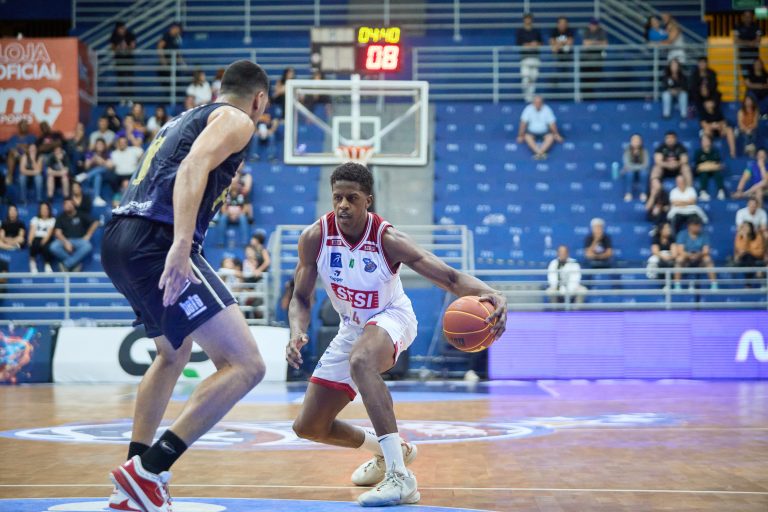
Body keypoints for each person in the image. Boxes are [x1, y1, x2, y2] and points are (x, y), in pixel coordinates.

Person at [101, 60, 270, 512]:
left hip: (119, 239)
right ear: (259, 99)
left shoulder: (183, 118)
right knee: (246, 365)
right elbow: (193, 165)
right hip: (158, 241)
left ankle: (131, 482)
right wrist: (180, 244)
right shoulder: (237, 119)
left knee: (172, 355)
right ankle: (151, 470)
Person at [287, 162, 507, 507]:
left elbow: (449, 278)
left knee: (361, 361)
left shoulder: (387, 239)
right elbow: (300, 297)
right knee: (309, 426)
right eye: (337, 197)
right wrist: (297, 330)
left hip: (393, 317)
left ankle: (400, 478)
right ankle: (389, 451)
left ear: (368, 200)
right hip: (352, 327)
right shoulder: (315, 238)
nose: (343, 205)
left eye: (351, 198)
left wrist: (489, 293)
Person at [49, 197, 99, 272]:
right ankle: (75, 264)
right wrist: (65, 242)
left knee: (87, 246)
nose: (67, 206)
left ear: (73, 205)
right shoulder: (60, 217)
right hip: (65, 240)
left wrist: (88, 235)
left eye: (69, 204)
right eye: (65, 204)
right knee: (53, 246)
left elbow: (96, 222)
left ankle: (67, 264)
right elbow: (57, 232)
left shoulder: (81, 214)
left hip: (79, 240)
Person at [647, 131, 693, 210]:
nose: (670, 140)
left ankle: (689, 191)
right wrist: (668, 165)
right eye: (668, 138)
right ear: (665, 139)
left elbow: (685, 160)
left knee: (686, 167)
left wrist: (677, 164)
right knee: (656, 167)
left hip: (677, 168)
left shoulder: (680, 147)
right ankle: (655, 185)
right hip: (664, 169)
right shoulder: (661, 147)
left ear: (675, 139)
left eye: (672, 138)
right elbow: (658, 161)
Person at [673, 217, 717, 290]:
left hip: (700, 258)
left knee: (708, 259)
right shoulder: (682, 234)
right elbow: (680, 250)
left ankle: (714, 284)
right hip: (686, 259)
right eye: (696, 225)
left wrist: (698, 255)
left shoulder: (704, 235)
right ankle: (677, 284)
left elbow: (706, 250)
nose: (698, 227)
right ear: (689, 226)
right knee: (679, 259)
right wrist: (689, 255)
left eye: (699, 225)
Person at [516, 95, 563, 160]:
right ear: (533, 103)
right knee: (527, 137)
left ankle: (539, 153)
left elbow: (552, 124)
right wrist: (520, 135)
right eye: (536, 102)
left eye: (539, 102)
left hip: (545, 131)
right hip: (531, 132)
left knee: (551, 137)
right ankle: (540, 153)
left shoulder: (547, 109)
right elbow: (523, 123)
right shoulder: (528, 109)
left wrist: (556, 134)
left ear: (542, 103)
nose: (537, 104)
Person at [76, 138, 114, 207]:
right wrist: (93, 160)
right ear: (95, 145)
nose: (100, 146)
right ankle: (96, 197)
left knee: (103, 169)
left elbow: (110, 166)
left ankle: (86, 175)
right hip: (92, 178)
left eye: (101, 144)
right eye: (98, 144)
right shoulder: (90, 153)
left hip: (105, 176)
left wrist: (101, 161)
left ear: (104, 145)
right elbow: (86, 166)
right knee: (98, 176)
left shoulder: (107, 153)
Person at [517, 13, 542, 103]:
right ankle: (526, 98)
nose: (528, 20)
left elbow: (540, 43)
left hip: (535, 58)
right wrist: (530, 45)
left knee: (533, 79)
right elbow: (520, 44)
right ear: (524, 20)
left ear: (532, 20)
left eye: (529, 18)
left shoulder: (536, 31)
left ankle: (530, 99)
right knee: (525, 78)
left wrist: (535, 44)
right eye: (526, 18)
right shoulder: (520, 32)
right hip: (525, 59)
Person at [693, 134, 726, 201]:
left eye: (706, 140)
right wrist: (711, 165)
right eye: (703, 141)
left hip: (714, 171)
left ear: (710, 142)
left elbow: (719, 165)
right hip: (702, 172)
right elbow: (698, 167)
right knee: (703, 173)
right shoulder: (698, 152)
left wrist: (706, 165)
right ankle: (703, 192)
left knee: (717, 173)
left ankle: (721, 191)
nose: (705, 142)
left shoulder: (715, 151)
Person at [3, 120, 36, 185]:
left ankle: (19, 177)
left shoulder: (32, 137)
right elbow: (7, 148)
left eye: (25, 126)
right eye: (22, 126)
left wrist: (21, 148)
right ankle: (9, 175)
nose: (24, 127)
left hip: (27, 157)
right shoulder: (14, 138)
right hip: (15, 156)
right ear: (19, 127)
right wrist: (17, 148)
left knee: (22, 152)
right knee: (12, 152)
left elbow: (34, 150)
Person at [157, 22, 185, 99]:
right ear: (175, 28)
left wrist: (183, 63)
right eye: (179, 29)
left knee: (175, 82)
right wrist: (163, 59)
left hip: (172, 65)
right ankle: (168, 99)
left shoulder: (175, 38)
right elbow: (159, 47)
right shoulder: (166, 35)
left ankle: (173, 98)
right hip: (165, 65)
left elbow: (177, 53)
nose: (179, 31)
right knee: (168, 84)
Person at [110, 21, 137, 102]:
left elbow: (133, 46)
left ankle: (130, 98)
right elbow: (112, 48)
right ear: (117, 29)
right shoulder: (114, 35)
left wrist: (126, 48)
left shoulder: (130, 34)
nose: (123, 29)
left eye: (124, 28)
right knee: (120, 79)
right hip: (119, 60)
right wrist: (118, 48)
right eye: (121, 28)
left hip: (129, 60)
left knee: (130, 79)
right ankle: (122, 98)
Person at [27, 201, 56, 273]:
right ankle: (32, 262)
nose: (44, 210)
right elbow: (32, 231)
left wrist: (42, 243)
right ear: (39, 210)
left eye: (46, 209)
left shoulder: (52, 220)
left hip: (47, 238)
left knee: (46, 246)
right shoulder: (35, 219)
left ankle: (47, 264)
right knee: (34, 243)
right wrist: (30, 241)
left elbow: (49, 233)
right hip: (37, 237)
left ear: (49, 210)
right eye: (42, 209)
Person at [581, 18, 607, 95]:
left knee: (594, 78)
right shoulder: (586, 31)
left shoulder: (601, 31)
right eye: (592, 24)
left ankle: (591, 93)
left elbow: (605, 44)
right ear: (590, 25)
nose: (594, 26)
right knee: (585, 78)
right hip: (587, 60)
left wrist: (591, 43)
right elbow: (585, 44)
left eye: (595, 25)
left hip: (598, 59)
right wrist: (597, 43)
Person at [621, 133, 649, 202]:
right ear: (630, 141)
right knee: (629, 173)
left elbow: (646, 165)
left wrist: (634, 167)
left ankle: (643, 193)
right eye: (634, 140)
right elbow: (627, 164)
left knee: (644, 173)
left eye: (637, 140)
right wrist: (638, 167)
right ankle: (628, 193)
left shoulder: (644, 151)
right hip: (630, 171)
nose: (636, 142)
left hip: (641, 172)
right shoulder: (627, 151)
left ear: (641, 142)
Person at [734, 10, 763, 76]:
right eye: (746, 16)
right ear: (742, 17)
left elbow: (758, 40)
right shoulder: (738, 27)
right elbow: (736, 41)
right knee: (746, 76)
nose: (747, 18)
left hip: (754, 57)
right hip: (743, 57)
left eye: (749, 16)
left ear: (752, 17)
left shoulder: (757, 27)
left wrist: (743, 42)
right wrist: (750, 43)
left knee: (756, 75)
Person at [549, 17, 574, 91]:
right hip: (556, 57)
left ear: (566, 24)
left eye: (564, 23)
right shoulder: (554, 32)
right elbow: (553, 47)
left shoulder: (569, 32)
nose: (562, 25)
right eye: (561, 23)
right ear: (558, 24)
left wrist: (558, 44)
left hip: (568, 57)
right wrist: (563, 43)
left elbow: (570, 43)